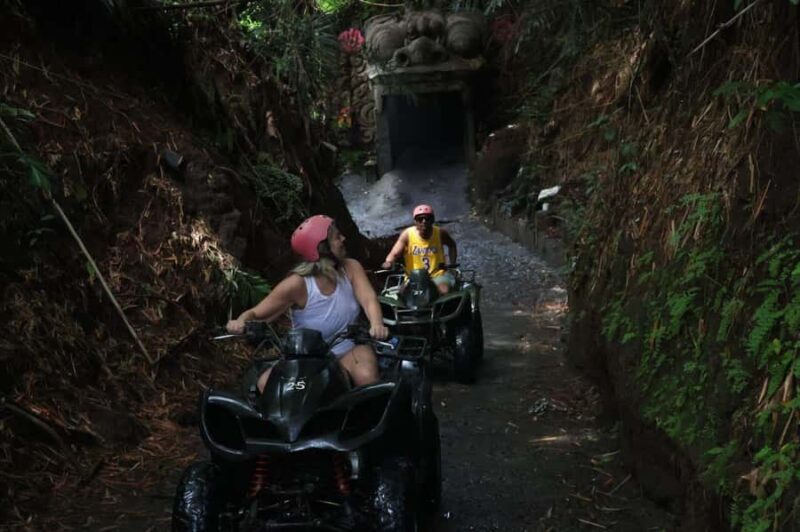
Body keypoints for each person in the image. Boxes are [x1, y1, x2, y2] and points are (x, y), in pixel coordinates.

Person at [227, 215, 388, 392]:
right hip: (306, 360)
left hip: (348, 351)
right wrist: (241, 321)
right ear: (323, 249)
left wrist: (376, 323)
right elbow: (256, 314)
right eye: (337, 237)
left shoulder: (351, 267)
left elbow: (368, 299)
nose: (343, 239)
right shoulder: (297, 284)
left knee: (366, 375)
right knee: (266, 384)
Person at [381, 204, 457, 294]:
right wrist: (388, 262)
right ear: (415, 222)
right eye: (420, 219)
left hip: (436, 275)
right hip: (413, 277)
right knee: (402, 294)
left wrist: (452, 263)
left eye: (427, 218)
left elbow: (452, 245)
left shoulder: (440, 233)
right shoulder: (407, 235)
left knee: (443, 290)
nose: (424, 222)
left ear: (432, 220)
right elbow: (394, 253)